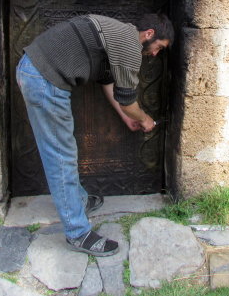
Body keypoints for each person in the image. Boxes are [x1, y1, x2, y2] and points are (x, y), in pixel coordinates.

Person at [16, 13, 174, 256]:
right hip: (44, 79)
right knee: (60, 156)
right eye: (158, 48)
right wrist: (143, 118)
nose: (155, 54)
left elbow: (108, 83)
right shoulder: (130, 45)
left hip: (37, 71)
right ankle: (77, 233)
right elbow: (128, 99)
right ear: (150, 34)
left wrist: (126, 117)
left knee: (63, 152)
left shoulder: (119, 34)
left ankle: (77, 202)